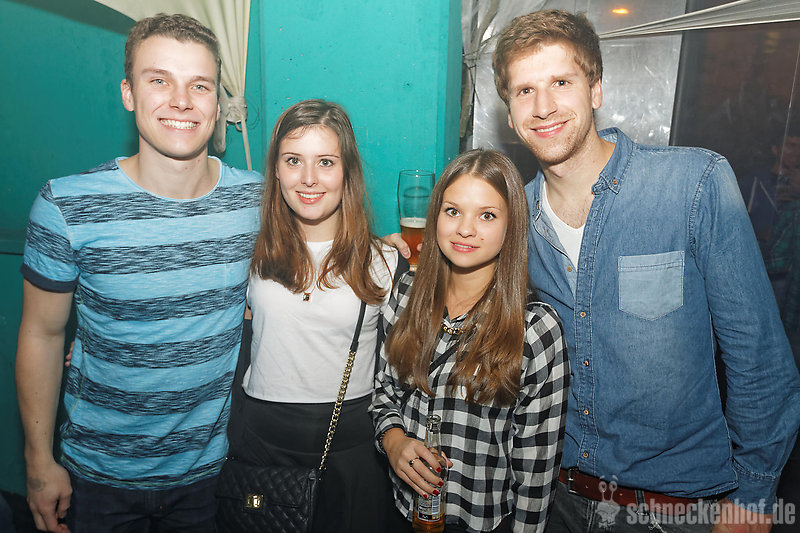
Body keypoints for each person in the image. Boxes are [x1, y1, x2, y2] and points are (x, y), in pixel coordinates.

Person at [488, 9, 800, 533]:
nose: (543, 107)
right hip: (555, 503)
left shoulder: (692, 184)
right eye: (525, 91)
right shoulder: (515, 221)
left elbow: (761, 360)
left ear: (595, 89)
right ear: (511, 113)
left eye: (561, 82)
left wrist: (753, 495)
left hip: (675, 510)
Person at [15, 13, 263, 533]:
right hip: (97, 479)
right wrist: (39, 463)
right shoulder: (67, 206)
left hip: (211, 479)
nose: (181, 101)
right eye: (160, 81)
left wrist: (387, 250)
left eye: (200, 85)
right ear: (128, 93)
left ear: (218, 103)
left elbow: (326, 241)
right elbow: (42, 334)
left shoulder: (255, 201)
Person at [371, 149, 570, 533]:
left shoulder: (534, 329)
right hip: (401, 512)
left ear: (512, 226)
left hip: (483, 523)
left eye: (487, 215)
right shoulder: (407, 293)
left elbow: (536, 474)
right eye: (453, 211)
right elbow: (383, 393)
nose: (465, 229)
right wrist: (393, 443)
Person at [230, 99, 405, 533]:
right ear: (276, 170)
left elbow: (409, 370)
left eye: (326, 162)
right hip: (260, 443)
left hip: (351, 448)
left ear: (347, 172)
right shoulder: (246, 254)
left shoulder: (385, 261)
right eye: (293, 160)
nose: (308, 178)